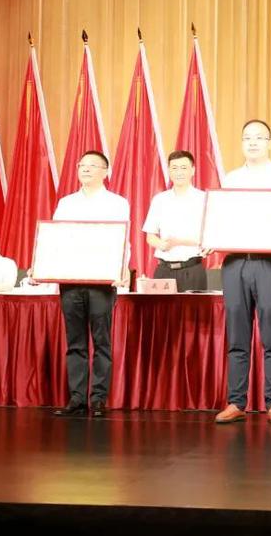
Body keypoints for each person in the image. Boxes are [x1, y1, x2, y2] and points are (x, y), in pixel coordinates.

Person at [215, 120, 271, 426]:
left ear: (270, 143)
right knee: (237, 336)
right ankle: (236, 401)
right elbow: (220, 216)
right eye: (247, 137)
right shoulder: (231, 178)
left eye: (259, 137)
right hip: (235, 262)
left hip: (269, 263)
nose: (253, 142)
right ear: (241, 143)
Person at [49, 150, 131, 419]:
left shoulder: (117, 203)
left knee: (101, 340)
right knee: (75, 341)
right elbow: (55, 238)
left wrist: (121, 269)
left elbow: (123, 239)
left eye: (92, 165)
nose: (85, 169)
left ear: (105, 172)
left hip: (101, 280)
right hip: (71, 279)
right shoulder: (66, 203)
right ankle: (76, 398)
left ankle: (97, 398)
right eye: (82, 165)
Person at [143, 150, 208, 291]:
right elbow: (150, 236)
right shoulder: (159, 199)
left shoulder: (204, 199)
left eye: (184, 168)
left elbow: (209, 238)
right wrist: (162, 244)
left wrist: (179, 242)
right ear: (169, 171)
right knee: (160, 306)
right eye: (174, 168)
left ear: (193, 170)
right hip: (163, 270)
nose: (179, 172)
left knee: (193, 306)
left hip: (192, 269)